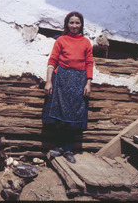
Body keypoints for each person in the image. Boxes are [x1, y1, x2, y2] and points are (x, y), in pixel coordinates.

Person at [42, 11, 94, 163]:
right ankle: (59, 147)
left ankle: (69, 149)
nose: (74, 26)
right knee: (59, 116)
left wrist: (88, 83)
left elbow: (89, 63)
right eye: (71, 23)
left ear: (81, 25)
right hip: (61, 80)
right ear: (67, 24)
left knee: (73, 117)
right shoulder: (61, 40)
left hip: (79, 81)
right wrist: (49, 81)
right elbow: (52, 61)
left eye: (77, 23)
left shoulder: (85, 42)